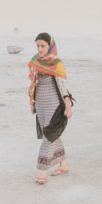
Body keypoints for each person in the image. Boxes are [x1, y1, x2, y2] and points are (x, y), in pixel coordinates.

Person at [27, 32, 75, 184]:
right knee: (53, 134)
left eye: (43, 46)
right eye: (38, 46)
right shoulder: (35, 61)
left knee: (49, 134)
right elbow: (34, 83)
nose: (40, 49)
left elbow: (62, 85)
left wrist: (68, 105)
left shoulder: (56, 62)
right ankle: (64, 163)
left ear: (50, 46)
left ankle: (41, 171)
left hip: (53, 102)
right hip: (41, 102)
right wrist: (32, 102)